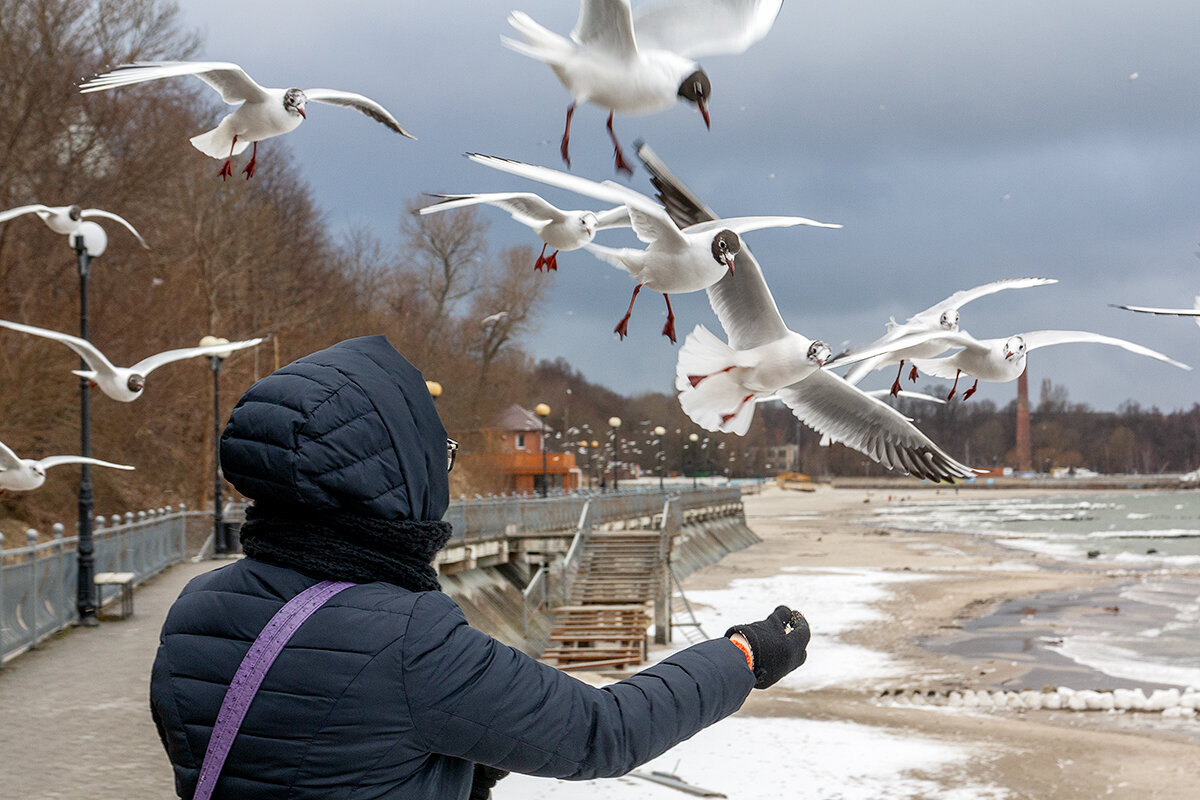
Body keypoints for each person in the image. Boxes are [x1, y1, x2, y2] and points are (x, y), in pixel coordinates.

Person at [150, 335, 810, 799]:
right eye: (436, 452)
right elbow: (602, 733)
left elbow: (295, 759)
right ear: (392, 476)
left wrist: (450, 769)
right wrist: (744, 656)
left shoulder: (194, 613)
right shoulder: (406, 639)